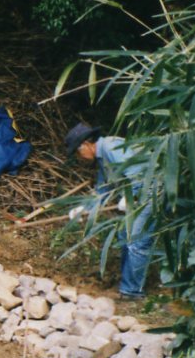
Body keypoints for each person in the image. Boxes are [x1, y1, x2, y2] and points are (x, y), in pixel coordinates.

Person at [64, 122, 154, 301]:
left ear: (86, 145)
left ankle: (132, 292)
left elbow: (138, 171)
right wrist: (85, 209)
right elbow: (102, 191)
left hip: (151, 192)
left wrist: (133, 197)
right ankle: (128, 286)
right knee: (124, 237)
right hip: (138, 195)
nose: (79, 157)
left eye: (77, 151)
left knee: (136, 241)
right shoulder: (103, 158)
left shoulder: (111, 146)